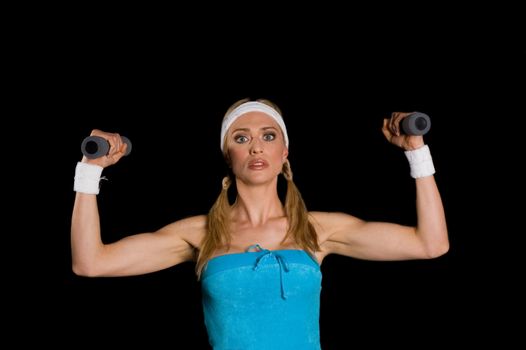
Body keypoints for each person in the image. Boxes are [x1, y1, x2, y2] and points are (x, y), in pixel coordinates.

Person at [71, 98, 449, 349]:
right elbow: (92, 263)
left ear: (284, 152)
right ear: (227, 153)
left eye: (268, 136)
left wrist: (417, 152)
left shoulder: (317, 230)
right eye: (242, 137)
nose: (256, 146)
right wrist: (89, 172)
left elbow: (430, 244)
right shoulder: (199, 234)